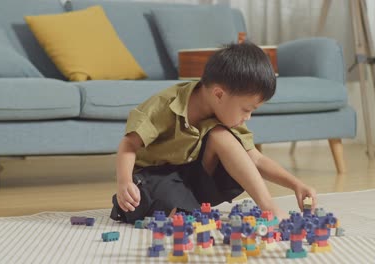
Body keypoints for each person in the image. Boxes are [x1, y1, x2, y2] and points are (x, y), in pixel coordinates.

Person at [110, 42, 317, 224]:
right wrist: (124, 181)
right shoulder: (165, 105)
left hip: (191, 179)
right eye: (247, 109)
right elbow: (129, 145)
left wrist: (296, 185)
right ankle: (179, 207)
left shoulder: (226, 115)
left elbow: (255, 159)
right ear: (219, 94)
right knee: (155, 204)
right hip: (154, 176)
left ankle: (267, 206)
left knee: (221, 135)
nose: (248, 117)